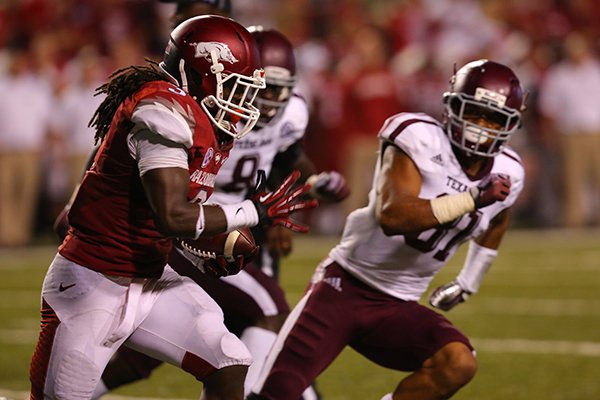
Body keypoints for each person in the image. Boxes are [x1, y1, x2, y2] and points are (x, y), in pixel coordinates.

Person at [29, 15, 317, 400]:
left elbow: (165, 219)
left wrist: (204, 254)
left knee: (228, 360)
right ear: (200, 74)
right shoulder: (161, 111)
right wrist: (252, 212)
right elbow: (173, 215)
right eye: (236, 87)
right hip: (93, 281)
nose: (243, 101)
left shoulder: (201, 121)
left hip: (150, 278)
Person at [247, 59, 526, 400]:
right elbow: (393, 216)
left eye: (493, 118)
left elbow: (497, 219)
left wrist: (468, 281)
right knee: (274, 394)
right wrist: (470, 198)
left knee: (457, 363)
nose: (481, 127)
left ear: (510, 125)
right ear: (452, 107)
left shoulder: (510, 171)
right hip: (343, 286)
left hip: (399, 303)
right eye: (474, 113)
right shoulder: (418, 136)